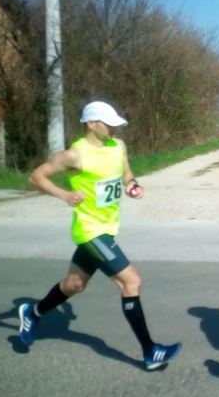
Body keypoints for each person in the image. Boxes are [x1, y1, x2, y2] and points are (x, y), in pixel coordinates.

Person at [19, 101, 181, 370]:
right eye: (109, 123)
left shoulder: (118, 147)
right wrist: (65, 195)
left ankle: (32, 313)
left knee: (74, 285)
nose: (114, 128)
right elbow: (37, 177)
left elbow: (126, 174)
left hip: (107, 228)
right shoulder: (74, 155)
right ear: (91, 123)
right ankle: (150, 352)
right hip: (90, 231)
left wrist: (132, 186)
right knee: (131, 282)